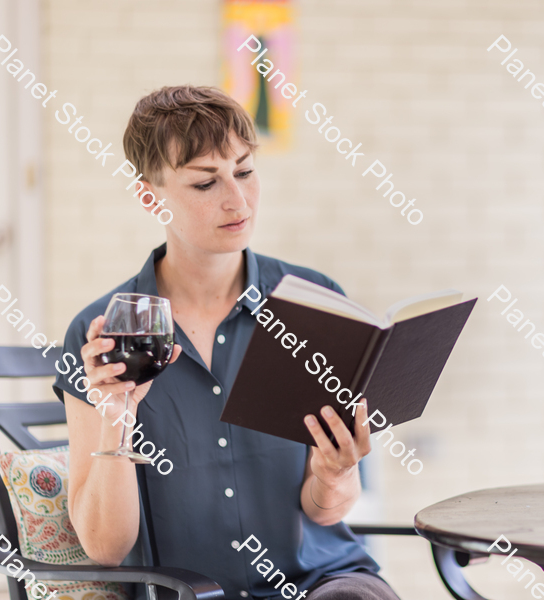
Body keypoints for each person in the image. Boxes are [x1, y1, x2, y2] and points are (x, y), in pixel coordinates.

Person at [52, 85, 402, 600]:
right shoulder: (105, 332)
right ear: (150, 196)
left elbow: (326, 511)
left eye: (244, 171)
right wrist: (116, 418)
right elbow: (106, 548)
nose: (237, 200)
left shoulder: (314, 304)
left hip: (321, 585)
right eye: (204, 183)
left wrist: (336, 470)